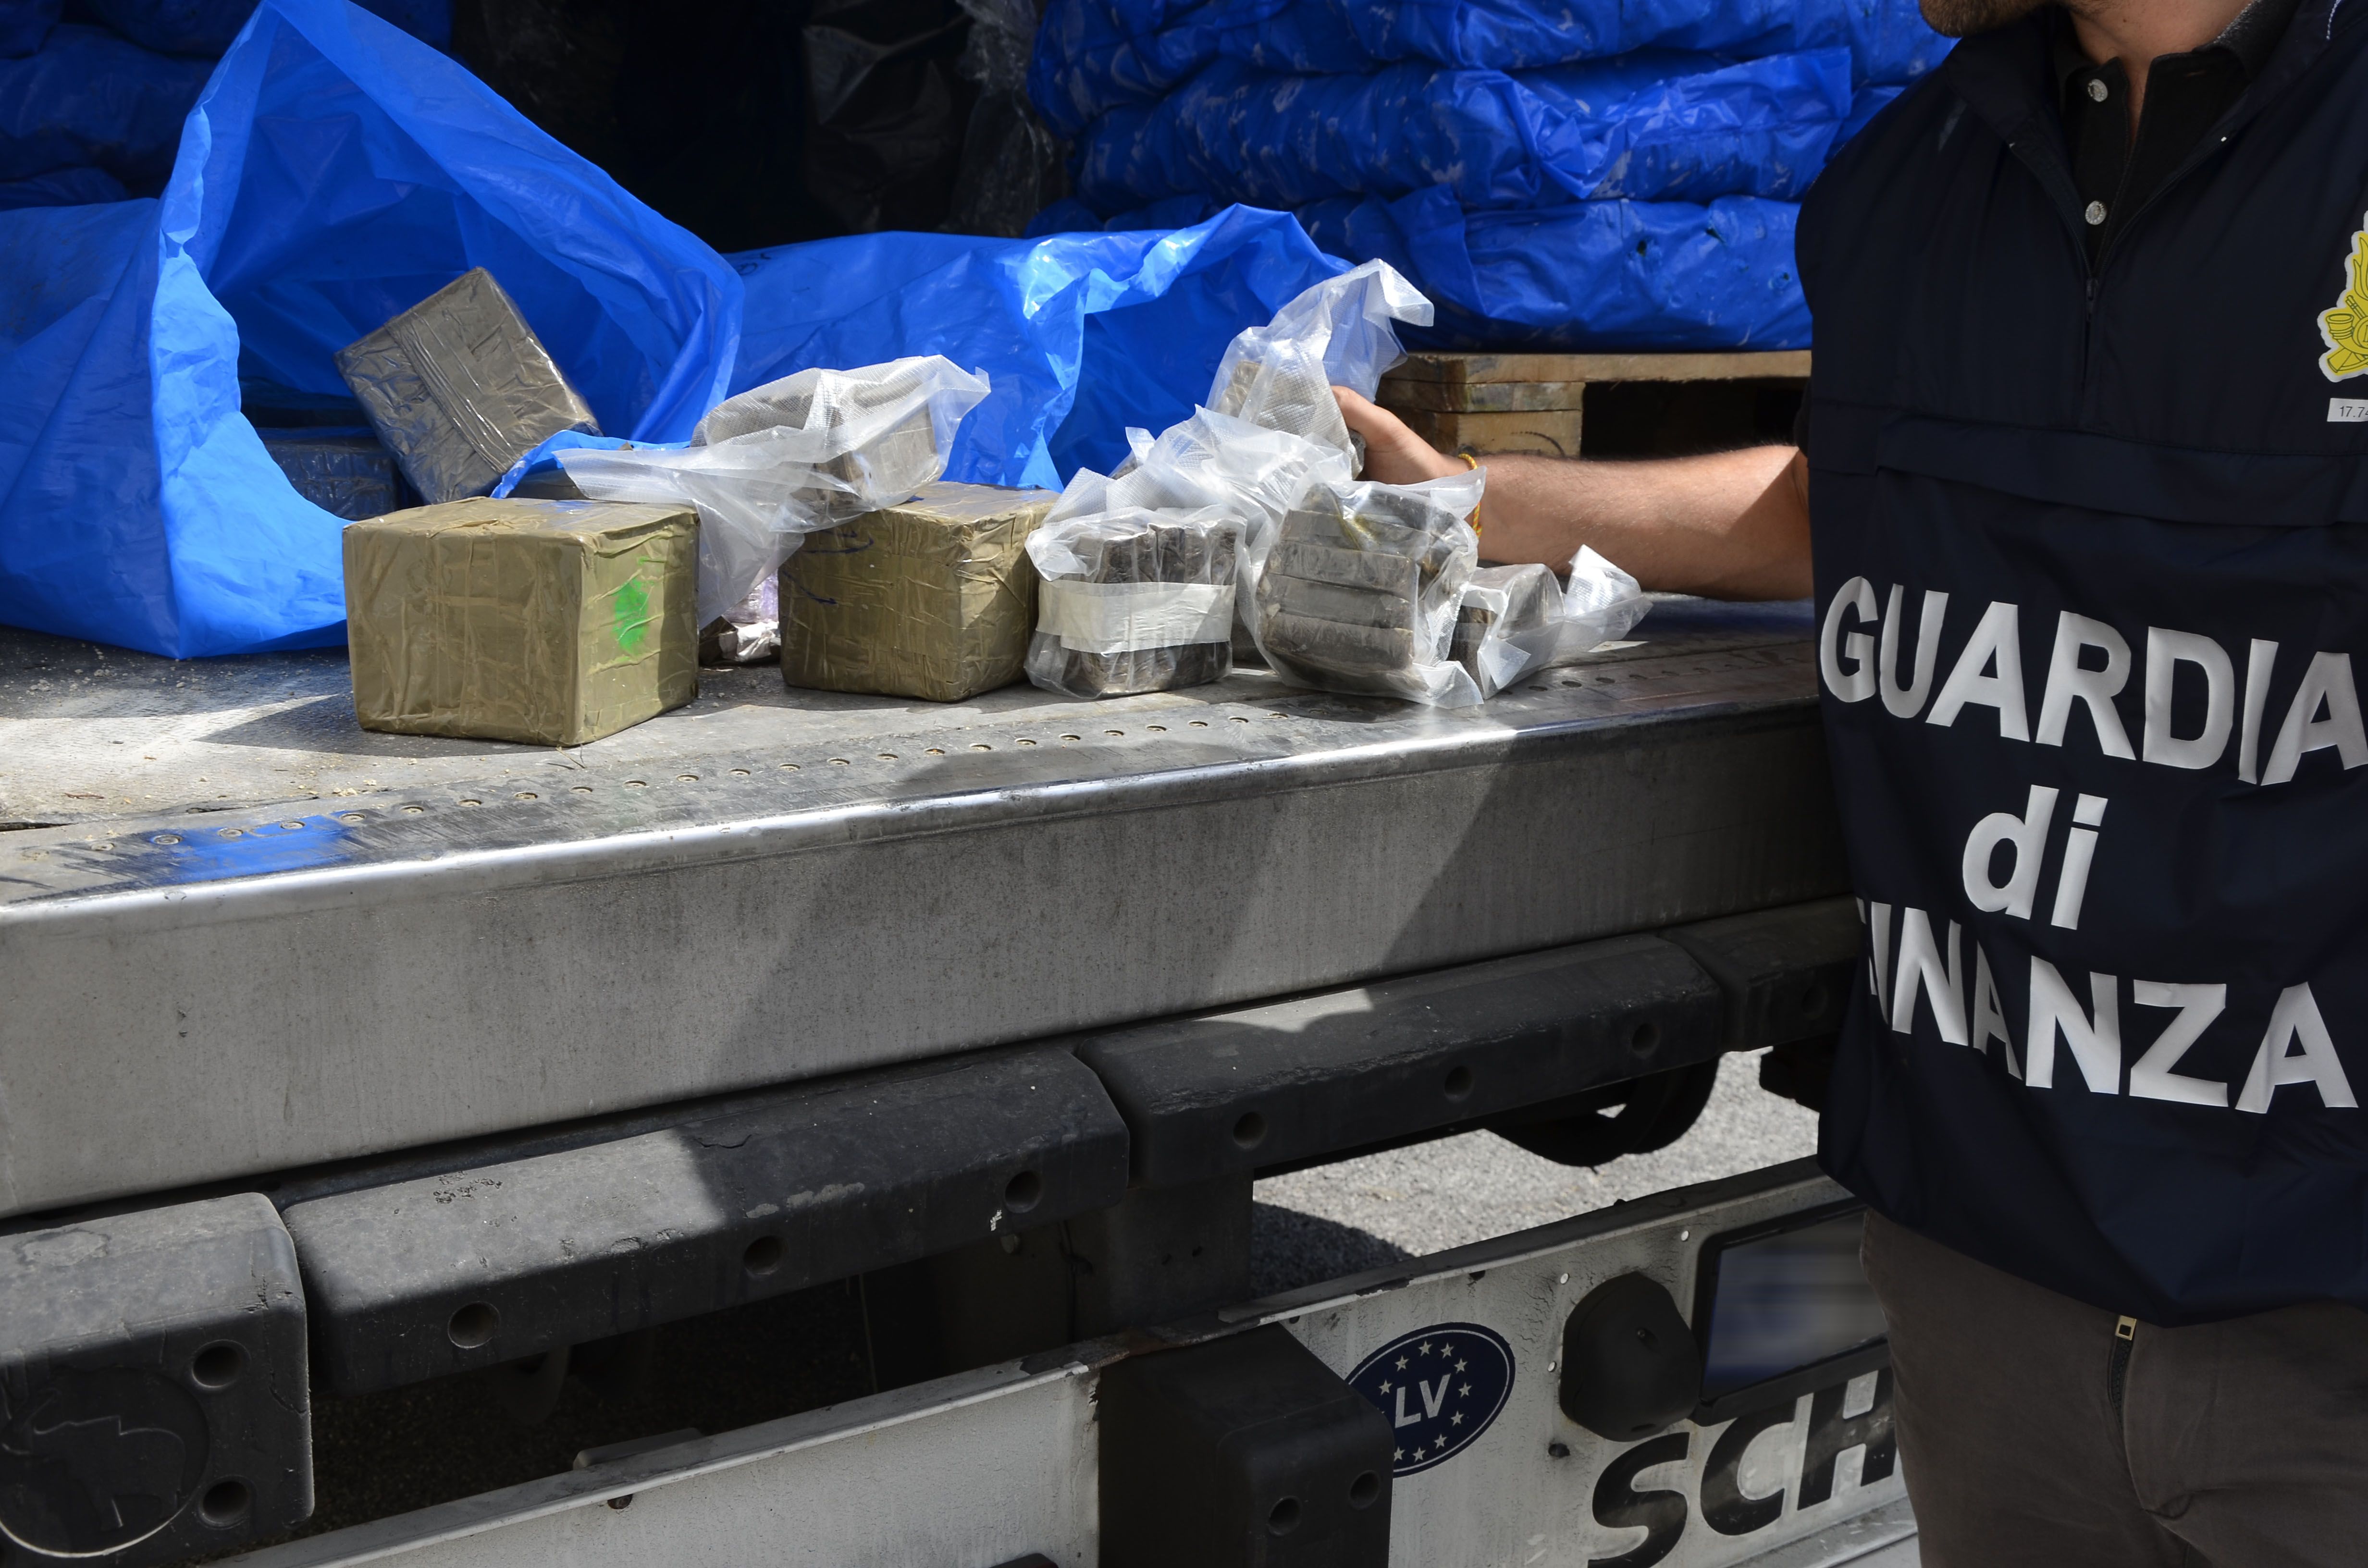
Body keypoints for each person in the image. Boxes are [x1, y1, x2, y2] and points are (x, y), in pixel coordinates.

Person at [1338, 0, 2368, 1562]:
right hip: (1990, 1299)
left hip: (2324, 1325)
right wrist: (1472, 503)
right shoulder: (1914, 176)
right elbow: (1855, 498)